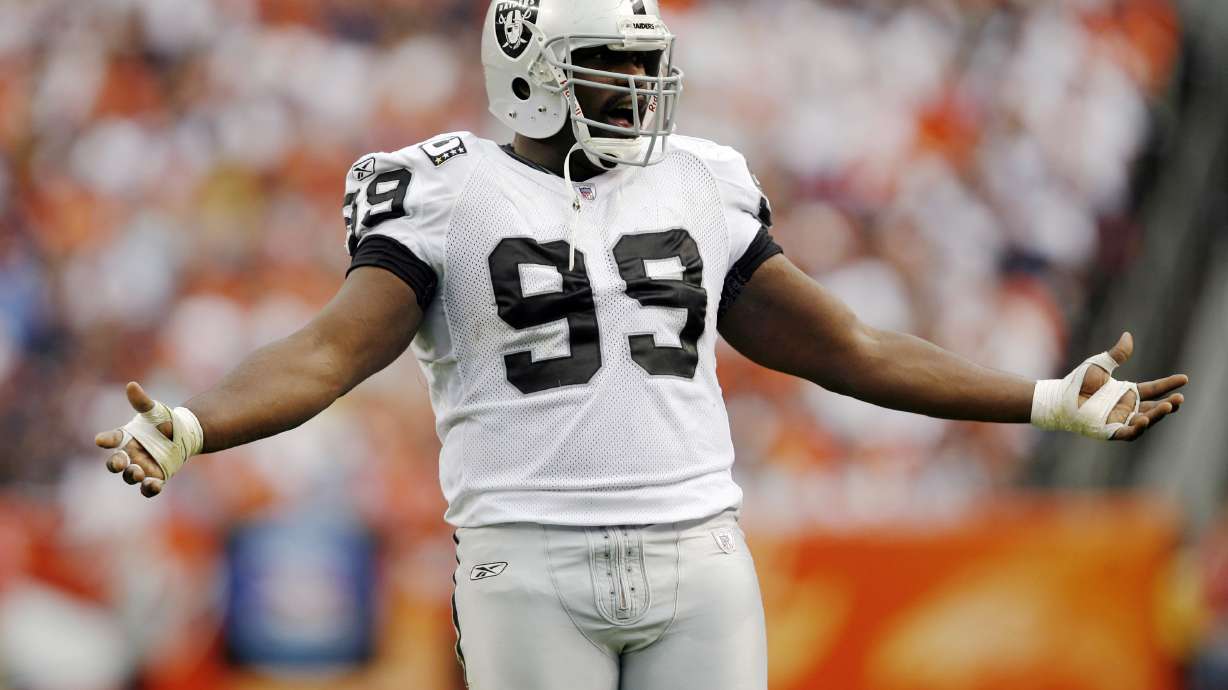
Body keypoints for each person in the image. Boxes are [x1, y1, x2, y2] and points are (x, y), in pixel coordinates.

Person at [94, 1, 1189, 688]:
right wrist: (196, 425)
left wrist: (1042, 398)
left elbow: (844, 345)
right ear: (532, 73)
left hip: (697, 554)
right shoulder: (450, 194)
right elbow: (324, 355)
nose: (639, 87)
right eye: (610, 65)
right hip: (528, 565)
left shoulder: (699, 179)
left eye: (640, 62)